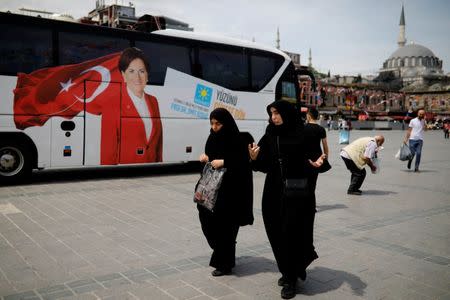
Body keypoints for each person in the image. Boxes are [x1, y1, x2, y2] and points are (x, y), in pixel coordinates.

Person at [248, 100, 324, 299]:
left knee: (293, 232)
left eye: (277, 113)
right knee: (276, 232)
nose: (273, 117)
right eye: (271, 113)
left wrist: (316, 164)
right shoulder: (270, 133)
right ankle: (288, 270)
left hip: (297, 193)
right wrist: (254, 158)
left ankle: (291, 277)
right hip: (273, 192)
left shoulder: (303, 133)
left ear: (287, 113)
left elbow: (317, 160)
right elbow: (263, 165)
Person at [198, 108, 254, 277]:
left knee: (227, 227)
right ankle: (225, 249)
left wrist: (224, 161)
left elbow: (244, 162)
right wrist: (206, 158)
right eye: (212, 123)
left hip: (231, 191)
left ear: (226, 123)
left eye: (218, 124)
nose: (214, 127)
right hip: (212, 190)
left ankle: (224, 263)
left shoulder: (239, 139)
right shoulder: (212, 137)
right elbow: (210, 157)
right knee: (205, 218)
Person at [119, 47, 163, 164]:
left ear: (147, 76)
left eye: (142, 71)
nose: (137, 78)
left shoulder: (153, 101)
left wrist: (158, 163)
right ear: (123, 75)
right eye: (131, 71)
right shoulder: (115, 102)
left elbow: (158, 142)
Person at [304, 107, 329, 207]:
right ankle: (311, 206)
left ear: (309, 116)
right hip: (317, 159)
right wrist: (325, 159)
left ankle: (304, 204)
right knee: (312, 184)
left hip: (305, 158)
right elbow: (325, 146)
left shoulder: (303, 127)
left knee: (303, 182)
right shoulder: (321, 129)